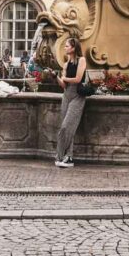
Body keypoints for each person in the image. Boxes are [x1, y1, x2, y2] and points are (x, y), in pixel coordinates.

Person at [55, 38, 88, 168]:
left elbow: (78, 79)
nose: (65, 48)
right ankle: (67, 156)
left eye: (67, 46)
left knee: (66, 126)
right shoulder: (66, 64)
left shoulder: (82, 60)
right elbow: (63, 85)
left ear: (74, 48)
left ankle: (62, 155)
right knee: (68, 127)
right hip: (66, 95)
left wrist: (65, 78)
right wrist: (56, 77)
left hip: (77, 96)